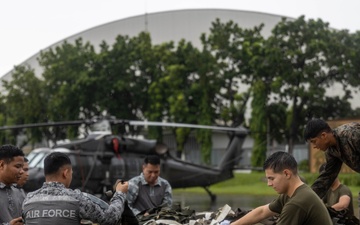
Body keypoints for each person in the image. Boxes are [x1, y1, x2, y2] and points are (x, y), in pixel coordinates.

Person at [22, 152, 129, 225]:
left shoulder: (28, 200)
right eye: (71, 173)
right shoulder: (77, 199)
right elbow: (111, 218)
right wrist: (120, 193)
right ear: (66, 173)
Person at [230, 151, 332, 225]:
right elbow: (262, 212)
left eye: (271, 178)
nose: (269, 184)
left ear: (287, 174)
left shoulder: (296, 203)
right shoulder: (293, 193)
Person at [303, 119, 360, 199]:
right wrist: (307, 199)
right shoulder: (331, 151)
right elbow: (327, 177)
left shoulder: (351, 135)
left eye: (314, 141)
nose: (314, 146)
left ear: (323, 136)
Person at [0, 144, 25, 225]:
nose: (22, 171)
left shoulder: (19, 192)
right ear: (2, 165)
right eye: (18, 167)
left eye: (22, 167)